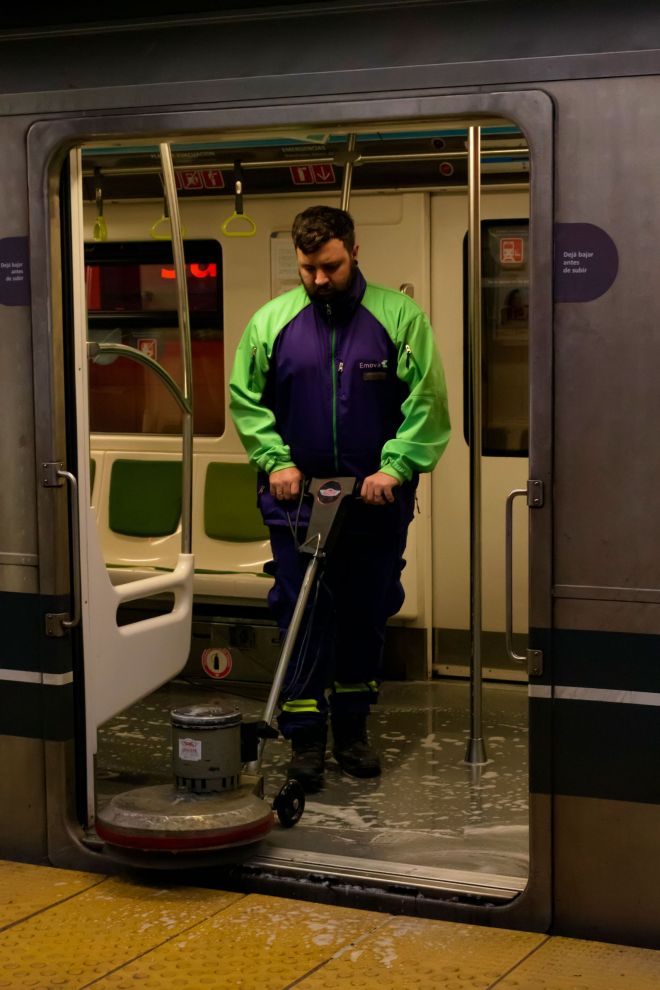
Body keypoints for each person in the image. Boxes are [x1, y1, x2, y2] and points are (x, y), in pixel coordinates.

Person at [229, 205, 450, 792]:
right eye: (308, 269)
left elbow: (426, 403)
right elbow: (247, 401)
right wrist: (275, 461)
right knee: (301, 615)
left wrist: (395, 467)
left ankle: (352, 731)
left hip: (373, 501)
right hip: (296, 499)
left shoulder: (398, 318)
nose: (319, 280)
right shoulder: (272, 322)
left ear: (354, 253)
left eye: (330, 266)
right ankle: (306, 741)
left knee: (364, 611)